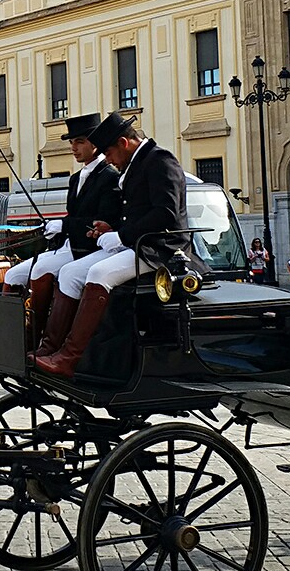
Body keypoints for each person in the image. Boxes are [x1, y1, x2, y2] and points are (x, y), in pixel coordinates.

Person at [32, 112, 193, 376]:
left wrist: (122, 235)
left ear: (123, 143)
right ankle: (51, 347)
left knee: (98, 273)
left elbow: (166, 213)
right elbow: (137, 213)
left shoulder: (160, 160)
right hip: (137, 243)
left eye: (108, 153)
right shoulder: (137, 162)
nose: (108, 160)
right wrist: (113, 229)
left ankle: (70, 358)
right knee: (70, 272)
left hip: (160, 249)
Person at [1, 115, 122, 343]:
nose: (73, 148)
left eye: (79, 142)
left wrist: (64, 225)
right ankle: (15, 337)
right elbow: (75, 215)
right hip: (68, 245)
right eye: (71, 143)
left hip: (89, 248)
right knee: (13, 274)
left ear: (95, 144)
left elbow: (104, 220)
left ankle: (42, 341)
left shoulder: (109, 177)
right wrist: (57, 226)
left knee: (41, 270)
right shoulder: (76, 178)